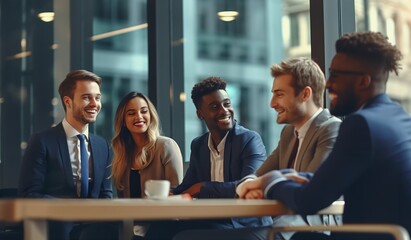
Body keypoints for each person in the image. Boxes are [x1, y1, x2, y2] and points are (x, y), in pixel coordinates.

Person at [237, 31, 411, 240]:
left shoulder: (361, 124)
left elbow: (310, 201)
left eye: (336, 75)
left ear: (363, 82)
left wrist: (270, 182)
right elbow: (330, 180)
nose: (328, 83)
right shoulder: (403, 120)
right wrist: (285, 178)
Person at [145, 76, 272, 240]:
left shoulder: (249, 140)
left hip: (247, 224)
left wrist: (202, 186)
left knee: (184, 238)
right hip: (214, 220)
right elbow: (188, 186)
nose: (224, 110)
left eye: (227, 104)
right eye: (214, 106)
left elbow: (248, 186)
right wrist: (170, 193)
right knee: (159, 228)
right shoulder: (199, 145)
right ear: (200, 114)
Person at [240, 57, 342, 240]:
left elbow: (309, 189)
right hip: (282, 223)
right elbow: (259, 175)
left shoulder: (332, 128)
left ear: (305, 94)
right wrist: (249, 185)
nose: (272, 103)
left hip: (314, 228)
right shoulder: (288, 133)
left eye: (279, 94)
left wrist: (262, 184)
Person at [18, 70, 116, 240]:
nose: (95, 104)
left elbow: (105, 195)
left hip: (94, 229)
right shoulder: (41, 142)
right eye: (87, 97)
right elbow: (30, 194)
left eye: (98, 97)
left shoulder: (103, 146)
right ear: (68, 102)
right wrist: (71, 209)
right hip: (55, 227)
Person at [111, 91, 183, 238]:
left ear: (151, 115)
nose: (139, 117)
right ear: (123, 121)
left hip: (164, 226)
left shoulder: (166, 146)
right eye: (131, 113)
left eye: (144, 111)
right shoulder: (122, 157)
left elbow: (178, 192)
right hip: (133, 229)